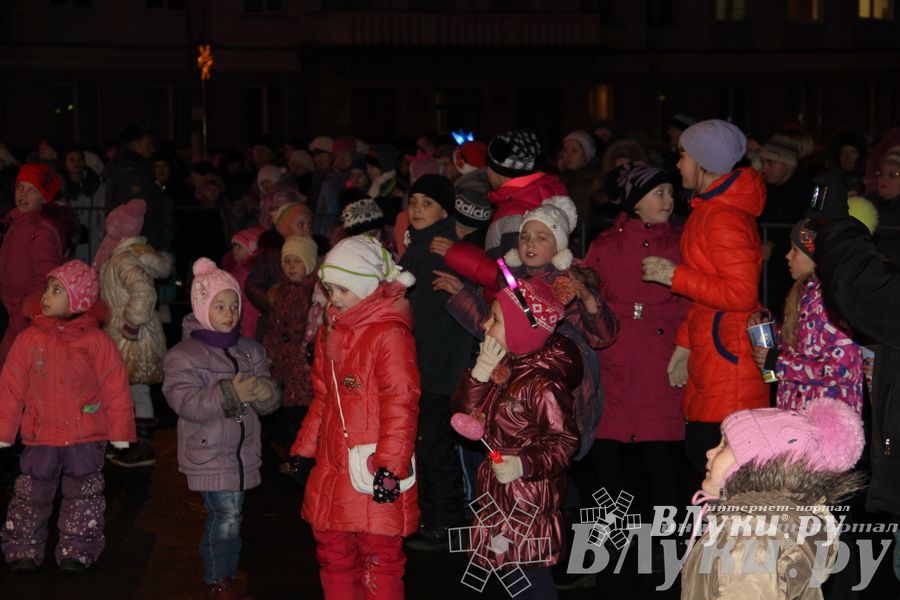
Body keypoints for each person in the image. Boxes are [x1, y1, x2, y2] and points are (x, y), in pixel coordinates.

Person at [290, 235, 419, 599]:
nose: (334, 299)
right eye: (330, 290)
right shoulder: (331, 332)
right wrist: (304, 449)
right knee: (334, 555)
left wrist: (391, 467)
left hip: (373, 468)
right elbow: (324, 397)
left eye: (342, 290)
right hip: (334, 466)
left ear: (366, 287)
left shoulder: (389, 334)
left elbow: (401, 403)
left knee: (379, 561)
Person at [641, 119, 769, 481]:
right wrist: (685, 343)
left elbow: (741, 293)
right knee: (705, 462)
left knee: (719, 469)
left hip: (729, 364)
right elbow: (709, 295)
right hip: (714, 353)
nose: (678, 165)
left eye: (683, 156)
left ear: (702, 161)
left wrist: (673, 276)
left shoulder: (722, 217)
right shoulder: (710, 210)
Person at [0, 260, 136, 573]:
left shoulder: (96, 342)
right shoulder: (29, 340)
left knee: (83, 493)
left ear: (79, 300)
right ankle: (22, 545)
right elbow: (11, 387)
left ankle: (78, 547)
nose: (47, 295)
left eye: (57, 290)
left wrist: (120, 430)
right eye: (47, 288)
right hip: (40, 433)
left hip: (85, 434)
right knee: (31, 491)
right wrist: (4, 430)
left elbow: (115, 387)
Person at [451, 277, 581, 600]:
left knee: (530, 582)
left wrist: (522, 464)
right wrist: (478, 374)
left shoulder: (543, 384)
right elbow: (463, 419)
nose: (484, 323)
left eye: (495, 318)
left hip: (528, 501)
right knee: (512, 577)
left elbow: (564, 443)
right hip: (499, 494)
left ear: (522, 331)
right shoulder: (504, 368)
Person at [162, 258, 280, 599]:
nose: (229, 313)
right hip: (210, 453)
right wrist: (231, 393)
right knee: (226, 516)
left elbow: (269, 397)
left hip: (243, 455)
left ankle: (225, 573)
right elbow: (185, 402)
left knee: (233, 516)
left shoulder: (249, 350)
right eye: (219, 305)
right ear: (201, 307)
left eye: (233, 305)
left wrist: (262, 393)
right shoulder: (184, 356)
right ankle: (218, 579)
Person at [583, 162, 690, 518]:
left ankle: (667, 547)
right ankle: (605, 547)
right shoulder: (607, 246)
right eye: (659, 193)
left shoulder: (682, 243)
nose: (669, 200)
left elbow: (692, 303)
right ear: (635, 201)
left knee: (661, 461)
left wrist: (684, 345)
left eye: (671, 193)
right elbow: (590, 302)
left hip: (661, 360)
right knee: (610, 463)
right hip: (616, 360)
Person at [681, 399, 865, 599]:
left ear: (755, 462)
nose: (709, 452)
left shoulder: (750, 538)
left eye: (724, 445)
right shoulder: (771, 522)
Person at [399, 174, 474, 549]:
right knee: (427, 443)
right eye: (413, 202)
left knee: (433, 445)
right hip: (425, 363)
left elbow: (423, 313)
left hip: (437, 366)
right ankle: (437, 519)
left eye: (426, 203)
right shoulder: (422, 245)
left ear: (444, 209)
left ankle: (447, 523)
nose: (416, 209)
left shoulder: (439, 249)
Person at [747, 212, 871, 415]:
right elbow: (803, 346)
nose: (787, 256)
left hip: (828, 424)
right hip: (797, 414)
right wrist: (770, 328)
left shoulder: (833, 302)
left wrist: (778, 362)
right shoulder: (802, 295)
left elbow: (845, 368)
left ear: (816, 258)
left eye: (795, 250)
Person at [96, 199, 172, 468]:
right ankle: (128, 443)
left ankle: (142, 447)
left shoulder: (123, 259)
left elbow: (143, 292)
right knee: (128, 390)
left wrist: (131, 323)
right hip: (126, 332)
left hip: (132, 336)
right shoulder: (125, 255)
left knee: (133, 390)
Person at [0, 163, 75, 364]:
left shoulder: (41, 232)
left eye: (32, 190)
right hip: (9, 310)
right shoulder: (15, 223)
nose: (23, 194)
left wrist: (21, 317)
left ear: (44, 197)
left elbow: (44, 280)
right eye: (20, 187)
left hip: (25, 316)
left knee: (13, 368)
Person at [263, 235, 318, 472]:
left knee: (299, 413)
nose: (291, 267)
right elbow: (275, 325)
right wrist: (270, 350)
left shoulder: (312, 293)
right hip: (284, 363)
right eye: (288, 261)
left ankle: (300, 458)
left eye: (297, 261)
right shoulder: (283, 291)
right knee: (284, 411)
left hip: (301, 366)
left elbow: (312, 327)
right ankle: (291, 454)